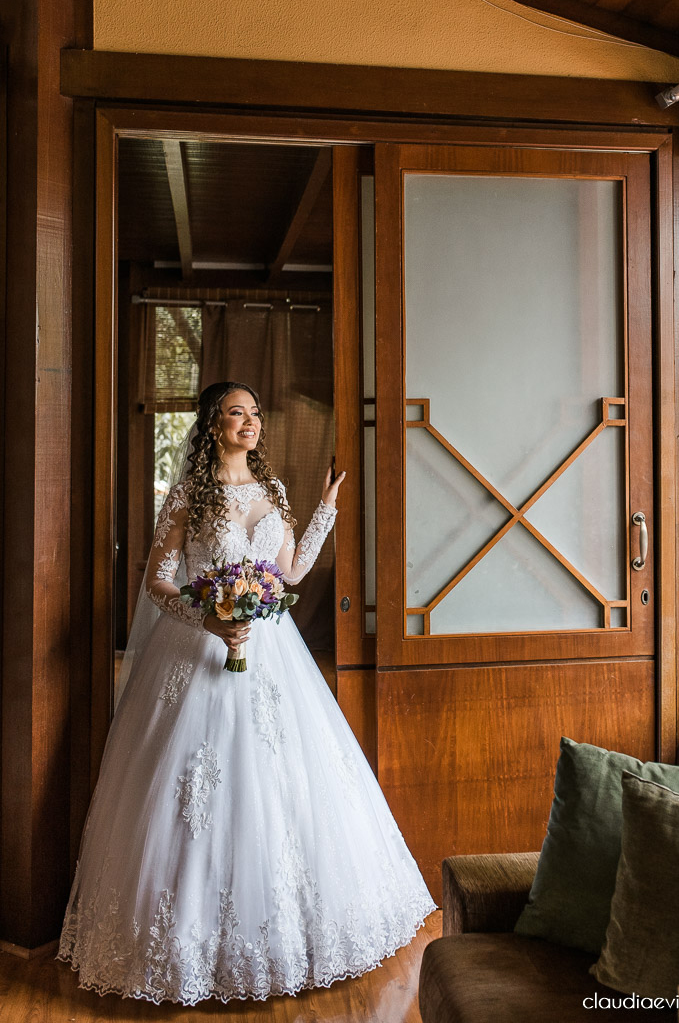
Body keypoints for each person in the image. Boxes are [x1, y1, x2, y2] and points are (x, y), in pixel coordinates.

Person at [57, 381, 436, 1004]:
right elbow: (158, 581)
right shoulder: (189, 496)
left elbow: (287, 575)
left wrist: (325, 508)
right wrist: (207, 618)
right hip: (198, 646)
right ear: (213, 424)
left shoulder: (274, 491)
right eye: (238, 413)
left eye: (255, 413)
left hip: (272, 654)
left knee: (287, 785)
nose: (251, 423)